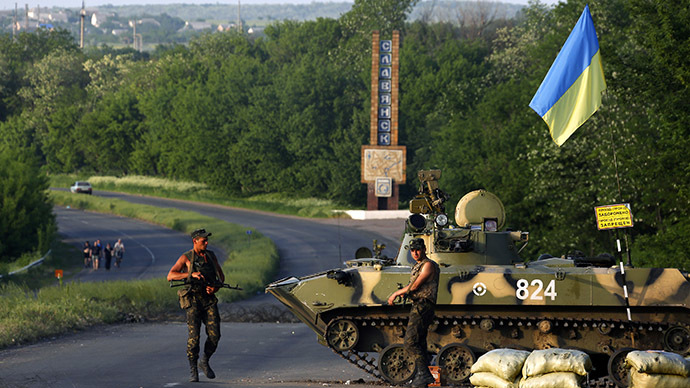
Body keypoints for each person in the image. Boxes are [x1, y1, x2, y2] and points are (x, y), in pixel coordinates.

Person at [167, 228, 225, 382]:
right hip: (193, 301)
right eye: (203, 241)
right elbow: (170, 276)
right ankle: (193, 368)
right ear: (195, 241)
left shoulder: (211, 256)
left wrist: (215, 287)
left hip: (209, 301)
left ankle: (204, 361)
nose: (206, 243)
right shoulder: (186, 258)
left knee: (215, 335)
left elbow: (221, 276)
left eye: (207, 240)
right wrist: (190, 274)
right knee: (194, 338)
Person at [387, 238, 440, 388]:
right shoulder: (419, 265)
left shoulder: (428, 265)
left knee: (410, 342)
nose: (415, 253)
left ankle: (424, 375)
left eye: (418, 250)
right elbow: (414, 287)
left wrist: (396, 293)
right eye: (412, 250)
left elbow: (415, 285)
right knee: (420, 342)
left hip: (423, 306)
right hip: (419, 305)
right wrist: (407, 293)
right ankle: (420, 377)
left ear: (424, 249)